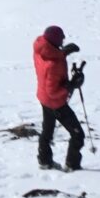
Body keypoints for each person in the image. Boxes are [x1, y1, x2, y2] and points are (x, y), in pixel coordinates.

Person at [32, 25, 85, 171]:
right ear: (55, 42)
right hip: (56, 103)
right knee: (78, 134)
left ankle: (44, 160)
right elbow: (53, 92)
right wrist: (71, 85)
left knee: (47, 131)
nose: (63, 41)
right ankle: (72, 165)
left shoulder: (39, 49)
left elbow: (50, 57)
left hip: (43, 99)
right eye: (61, 39)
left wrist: (63, 53)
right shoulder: (54, 64)